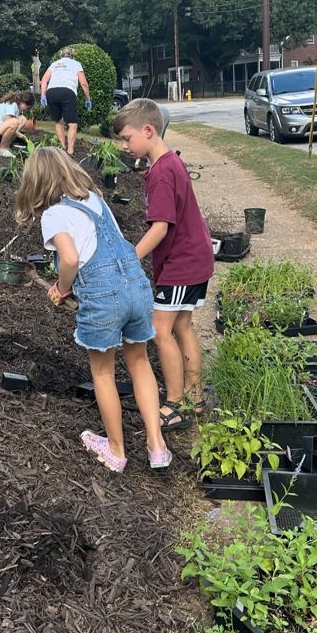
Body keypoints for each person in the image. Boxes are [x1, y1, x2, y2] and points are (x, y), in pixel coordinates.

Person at [15, 147, 171, 473]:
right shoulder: (94, 199)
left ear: (36, 183)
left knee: (103, 373)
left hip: (104, 295)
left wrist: (60, 286)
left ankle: (116, 451)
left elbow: (71, 259)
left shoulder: (53, 214)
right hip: (137, 286)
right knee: (140, 361)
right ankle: (157, 446)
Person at [113, 99, 214, 431]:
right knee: (182, 327)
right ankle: (194, 399)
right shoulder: (167, 163)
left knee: (161, 330)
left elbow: (160, 227)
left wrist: (130, 259)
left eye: (127, 138)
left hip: (182, 264)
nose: (123, 146)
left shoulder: (162, 172)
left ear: (148, 130)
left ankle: (175, 404)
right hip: (193, 259)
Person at [39, 47, 90, 157]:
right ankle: (70, 152)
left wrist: (43, 95)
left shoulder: (54, 64)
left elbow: (43, 80)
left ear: (61, 55)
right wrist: (88, 98)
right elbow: (84, 83)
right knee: (72, 124)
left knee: (58, 121)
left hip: (51, 92)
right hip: (67, 92)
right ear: (72, 55)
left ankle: (62, 148)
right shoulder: (76, 64)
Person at [0, 91, 34, 157]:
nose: (27, 109)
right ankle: (1, 149)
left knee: (23, 119)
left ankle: (6, 146)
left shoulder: (15, 107)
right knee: (14, 122)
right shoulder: (12, 104)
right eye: (28, 107)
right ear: (23, 103)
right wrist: (21, 136)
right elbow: (10, 124)